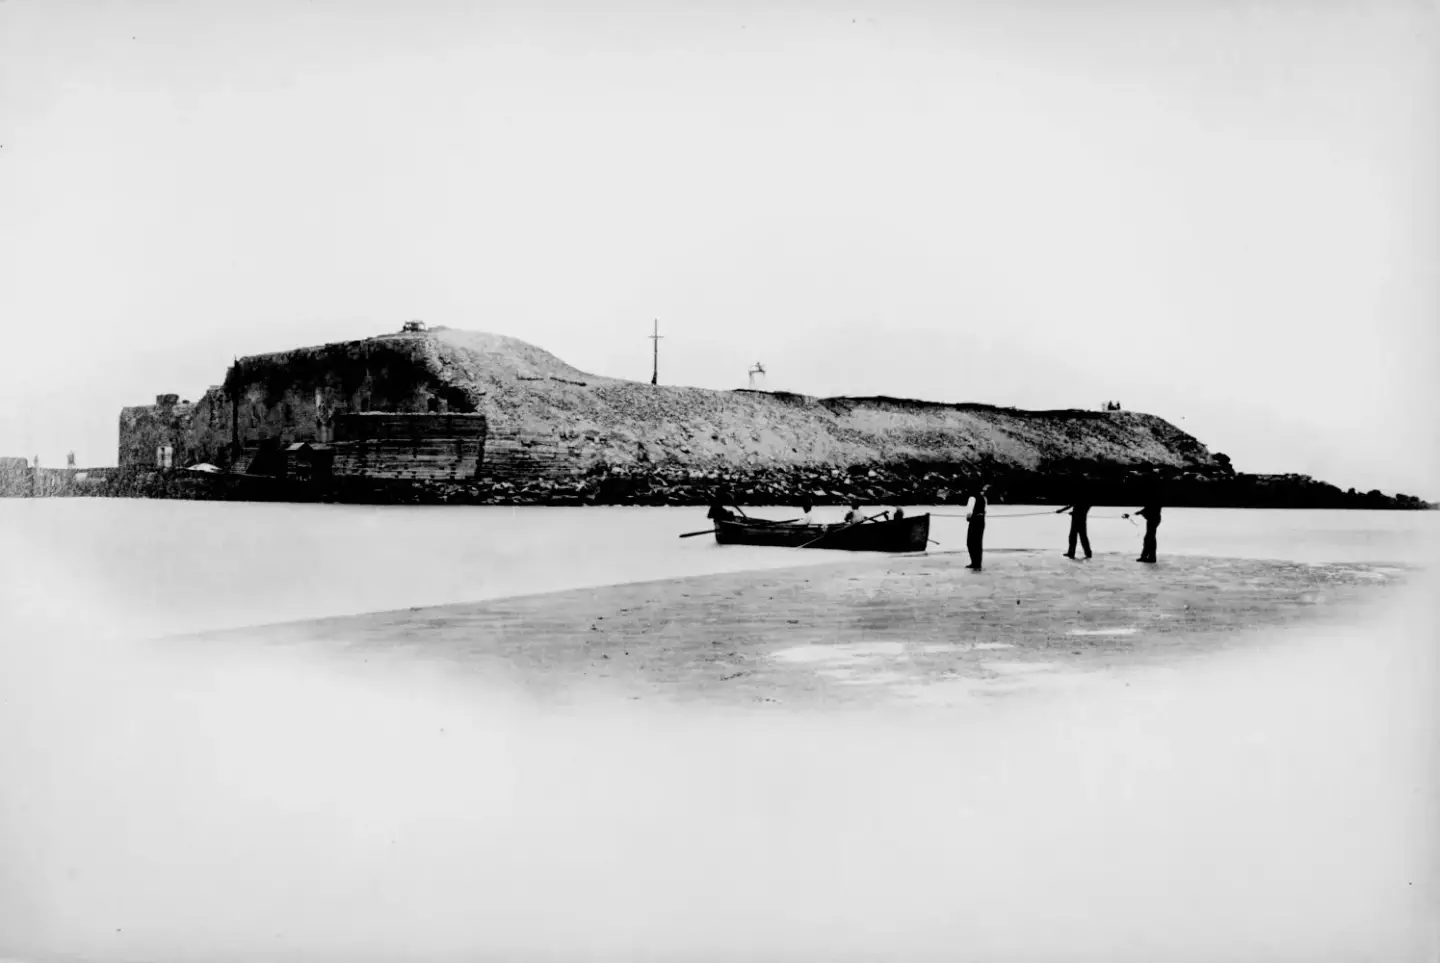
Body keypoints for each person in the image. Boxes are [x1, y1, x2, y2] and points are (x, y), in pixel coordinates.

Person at [1055, 484, 1093, 559]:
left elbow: (1070, 505)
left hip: (1077, 519)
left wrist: (1061, 511)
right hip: (1080, 519)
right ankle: (1087, 553)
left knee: (1075, 536)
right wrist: (1074, 513)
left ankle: (1072, 553)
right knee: (1081, 537)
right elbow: (1084, 507)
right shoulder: (1087, 499)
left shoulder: (1080, 498)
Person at [1124, 497, 1162, 563]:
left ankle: (1149, 557)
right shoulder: (1153, 503)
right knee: (1149, 538)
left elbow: (1149, 509)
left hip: (1153, 519)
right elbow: (1147, 509)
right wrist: (1139, 513)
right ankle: (1147, 557)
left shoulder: (1153, 504)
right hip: (1153, 519)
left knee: (1149, 538)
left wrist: (1140, 513)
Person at [964, 481, 988, 570]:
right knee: (978, 542)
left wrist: (968, 518)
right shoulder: (983, 498)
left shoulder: (972, 498)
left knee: (970, 542)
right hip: (981, 520)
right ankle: (978, 562)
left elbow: (969, 512)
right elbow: (985, 510)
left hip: (974, 520)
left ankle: (974, 562)